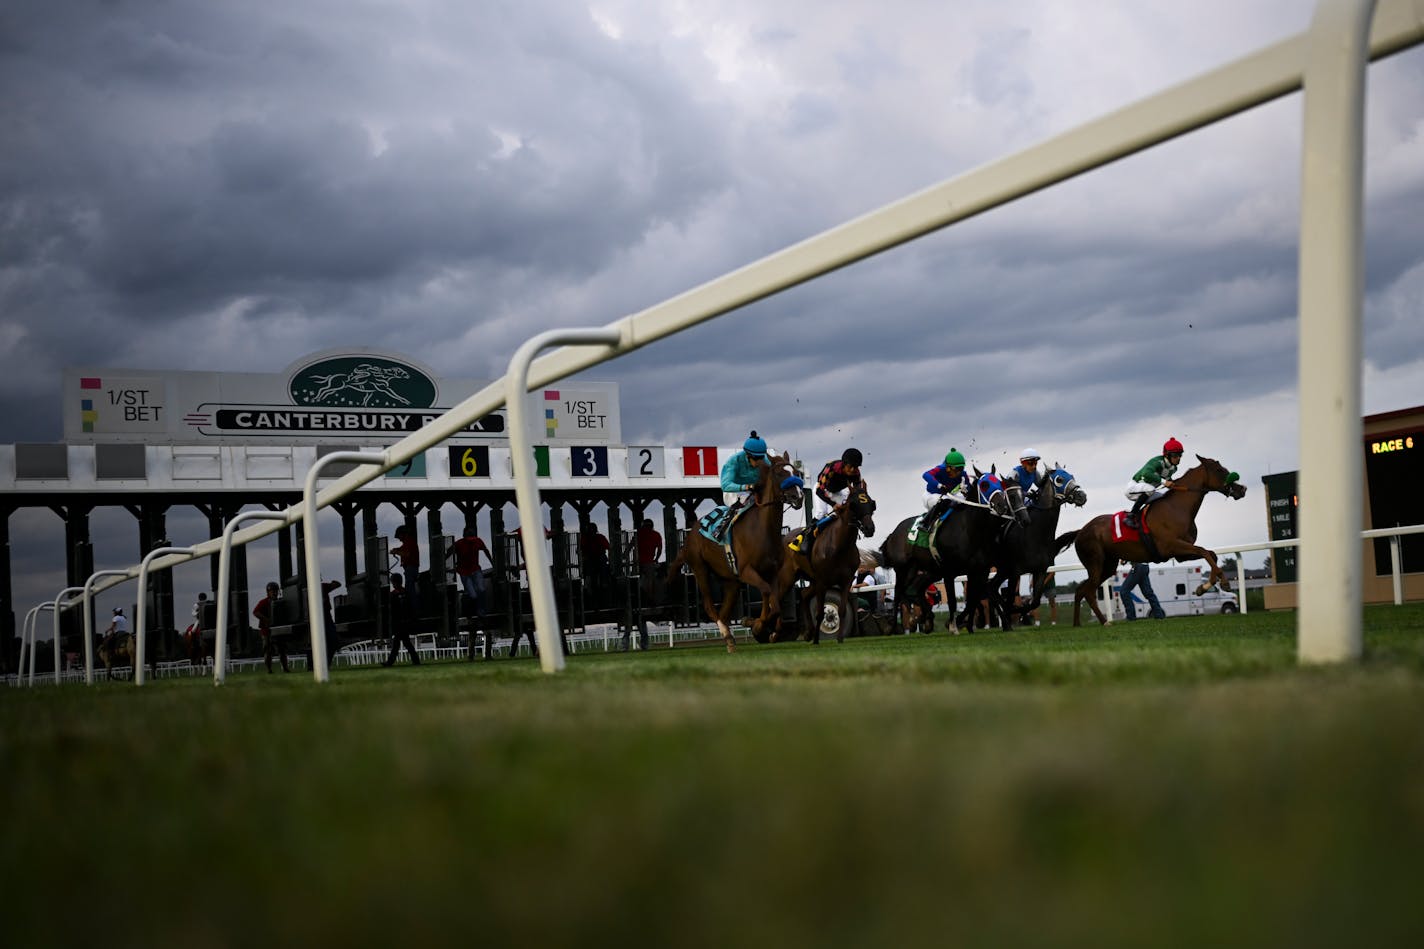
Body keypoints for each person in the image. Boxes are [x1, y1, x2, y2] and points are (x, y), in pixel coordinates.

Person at [790, 448, 865, 553]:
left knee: (840, 514)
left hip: (838, 492)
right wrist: (833, 504)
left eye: (855, 466)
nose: (853, 469)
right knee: (821, 513)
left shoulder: (856, 473)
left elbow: (857, 493)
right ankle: (807, 538)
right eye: (850, 466)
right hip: (822, 489)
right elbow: (819, 491)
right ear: (844, 463)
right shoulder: (832, 468)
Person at [718, 431, 770, 540]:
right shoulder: (733, 461)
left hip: (754, 490)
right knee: (745, 500)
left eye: (761, 458)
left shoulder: (765, 461)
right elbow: (725, 485)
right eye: (756, 459)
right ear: (747, 455)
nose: (759, 462)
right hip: (734, 492)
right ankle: (721, 529)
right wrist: (746, 487)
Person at [1125, 437, 1185, 529]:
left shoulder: (1173, 468)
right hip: (1133, 489)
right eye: (1175, 455)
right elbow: (1147, 473)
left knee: (1164, 497)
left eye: (1180, 455)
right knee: (1150, 489)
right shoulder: (1157, 462)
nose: (1178, 458)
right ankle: (1130, 516)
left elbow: (1168, 480)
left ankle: (1145, 519)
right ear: (1167, 455)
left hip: (1147, 492)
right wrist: (1164, 482)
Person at [449, 525, 492, 643]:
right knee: (473, 595)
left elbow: (486, 550)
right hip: (464, 572)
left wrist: (492, 562)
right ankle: (470, 611)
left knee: (482, 590)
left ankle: (480, 612)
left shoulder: (477, 541)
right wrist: (447, 564)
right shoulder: (459, 543)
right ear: (465, 537)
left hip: (475, 570)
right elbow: (449, 552)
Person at [918, 448, 973, 532]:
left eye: (961, 468)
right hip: (931, 495)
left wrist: (966, 490)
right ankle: (925, 523)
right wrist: (939, 485)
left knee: (963, 502)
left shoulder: (963, 474)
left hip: (947, 495)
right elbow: (925, 475)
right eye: (957, 469)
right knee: (945, 502)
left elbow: (968, 488)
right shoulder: (940, 469)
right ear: (948, 467)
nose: (959, 472)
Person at [383, 573, 421, 666]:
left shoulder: (393, 595)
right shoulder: (406, 592)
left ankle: (390, 662)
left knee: (398, 644)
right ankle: (415, 661)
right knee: (406, 643)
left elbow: (392, 610)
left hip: (399, 623)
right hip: (405, 623)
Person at [252, 581, 289, 674]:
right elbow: (255, 612)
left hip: (278, 630)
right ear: (268, 592)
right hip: (266, 631)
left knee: (282, 650)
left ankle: (285, 668)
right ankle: (269, 669)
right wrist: (266, 619)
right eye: (272, 591)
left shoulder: (280, 601)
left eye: (276, 591)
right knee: (268, 651)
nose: (274, 593)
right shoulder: (263, 602)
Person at [390, 523, 421, 617]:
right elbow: (402, 549)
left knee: (410, 592)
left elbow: (406, 554)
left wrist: (397, 552)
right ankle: (413, 611)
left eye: (399, 536)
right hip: (410, 569)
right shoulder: (408, 543)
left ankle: (414, 612)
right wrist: (396, 550)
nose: (399, 539)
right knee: (409, 591)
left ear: (403, 534)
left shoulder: (409, 542)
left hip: (411, 569)